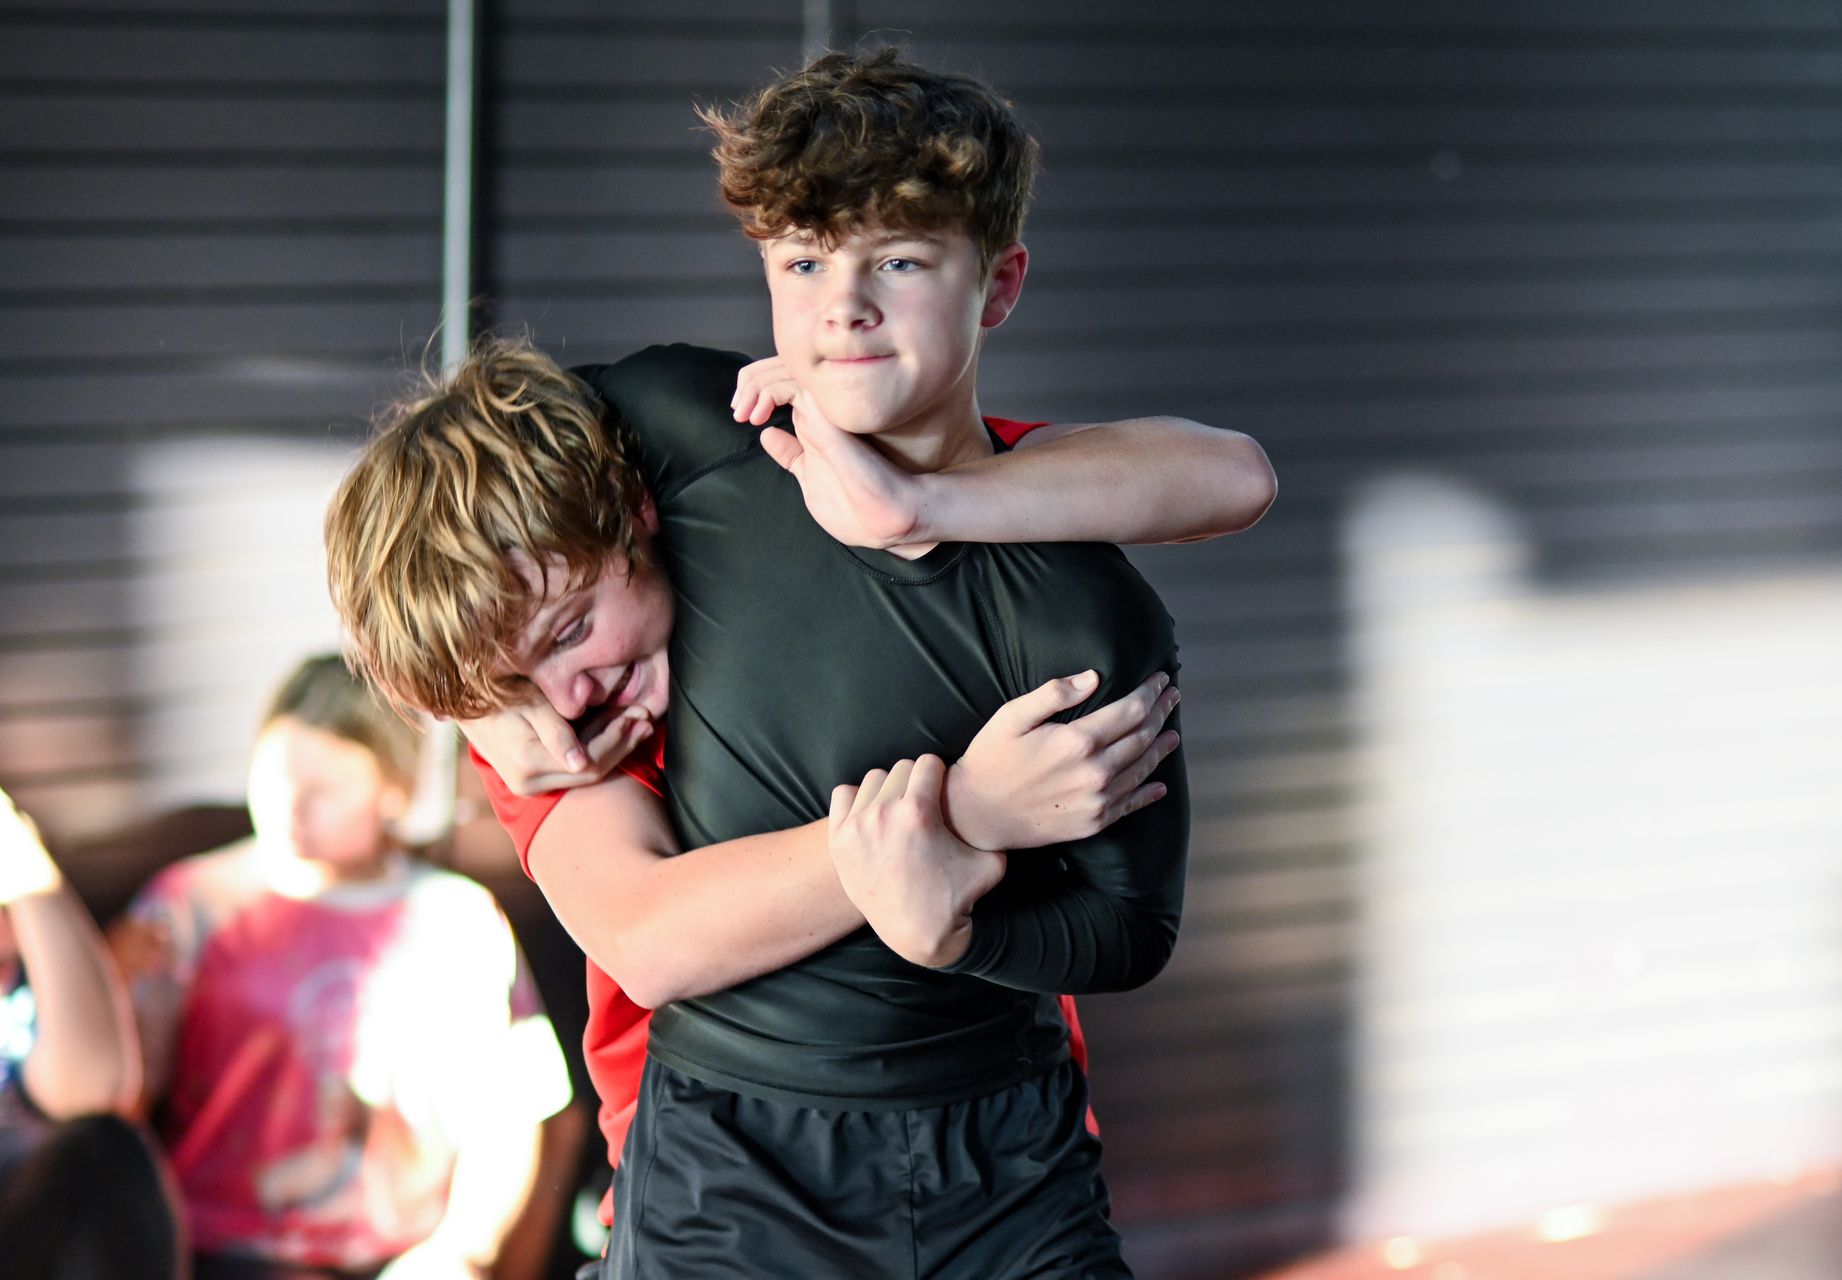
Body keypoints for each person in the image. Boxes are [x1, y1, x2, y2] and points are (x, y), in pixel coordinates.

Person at [326, 47, 1275, 1280]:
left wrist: (916, 503)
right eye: (806, 265)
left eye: (564, 641)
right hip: (720, 1156)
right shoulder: (546, 716)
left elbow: (1231, 476)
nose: (563, 706)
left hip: (998, 1130)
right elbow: (652, 938)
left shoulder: (713, 454)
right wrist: (962, 812)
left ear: (628, 510)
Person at [110, 656, 574, 1280]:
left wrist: (464, 1250)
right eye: (273, 777)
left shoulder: (457, 920)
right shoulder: (188, 907)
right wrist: (111, 983)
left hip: (406, 1256)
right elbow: (119, 1097)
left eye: (325, 788)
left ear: (394, 792)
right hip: (225, 1251)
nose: (291, 808)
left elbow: (515, 1114)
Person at [0, 787, 182, 1280]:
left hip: (40, 1234)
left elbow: (96, 1088)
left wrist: (24, 866)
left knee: (108, 1147)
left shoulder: (28, 1000)